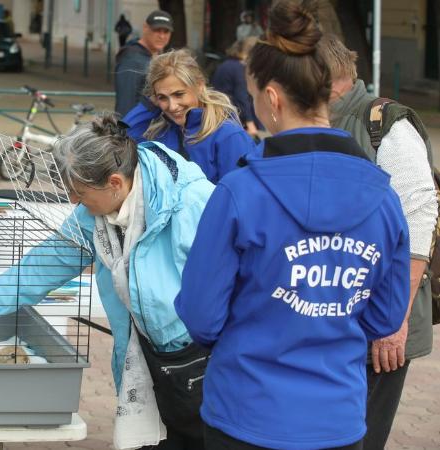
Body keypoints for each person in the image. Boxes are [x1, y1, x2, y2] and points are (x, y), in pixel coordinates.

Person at [174, 1, 411, 449]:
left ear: (273, 98)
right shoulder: (385, 199)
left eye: (251, 94)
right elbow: (383, 317)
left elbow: (202, 316)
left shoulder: (240, 192)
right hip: (336, 416)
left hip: (245, 409)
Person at [0, 115, 216, 449]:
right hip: (143, 358)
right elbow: (36, 270)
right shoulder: (93, 216)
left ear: (114, 183)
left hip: (200, 358)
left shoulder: (194, 204)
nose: (74, 202)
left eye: (80, 193)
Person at [321, 33, 438, 450]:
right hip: (345, 316)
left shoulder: (384, 123)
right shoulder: (325, 121)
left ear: (329, 76)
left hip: (385, 321)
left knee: (362, 437)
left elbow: (420, 219)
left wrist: (395, 323)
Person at [123, 49, 257, 184]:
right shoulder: (161, 133)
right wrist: (148, 107)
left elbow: (241, 195)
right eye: (162, 97)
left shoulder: (228, 136)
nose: (172, 106)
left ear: (199, 86)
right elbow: (122, 142)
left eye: (178, 94)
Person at [114, 10, 173, 117]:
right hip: (135, 128)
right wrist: (124, 131)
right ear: (145, 28)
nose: (162, 36)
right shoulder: (133, 60)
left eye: (166, 32)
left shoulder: (152, 56)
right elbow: (125, 105)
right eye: (157, 30)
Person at [211, 37, 260, 139]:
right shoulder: (239, 68)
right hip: (233, 118)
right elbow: (241, 96)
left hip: (219, 115)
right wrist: (250, 123)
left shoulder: (226, 64)